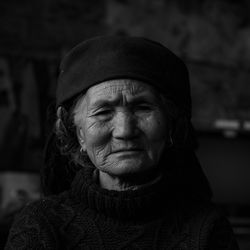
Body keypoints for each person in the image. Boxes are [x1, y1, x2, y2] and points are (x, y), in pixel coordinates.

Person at [5, 36, 239, 249]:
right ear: (78, 134)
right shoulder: (40, 225)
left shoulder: (207, 229)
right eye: (103, 112)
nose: (125, 131)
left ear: (171, 126)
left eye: (143, 107)